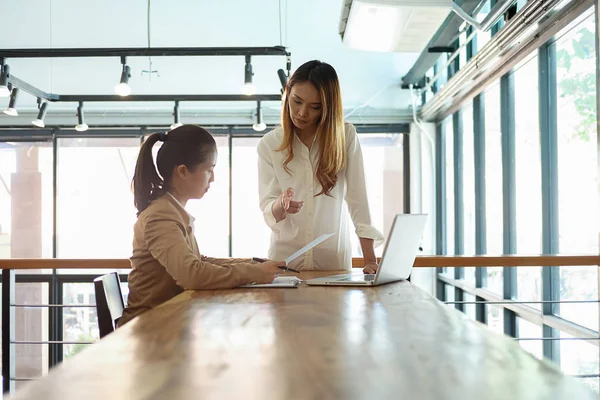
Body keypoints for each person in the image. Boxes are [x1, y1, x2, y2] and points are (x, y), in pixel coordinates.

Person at [119, 125, 284, 326]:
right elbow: (192, 274)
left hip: (166, 322)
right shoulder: (160, 216)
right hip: (149, 330)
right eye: (209, 170)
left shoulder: (170, 209)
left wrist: (253, 263)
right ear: (183, 171)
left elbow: (198, 261)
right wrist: (255, 273)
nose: (212, 178)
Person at [257, 60, 383, 273]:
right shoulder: (270, 144)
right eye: (297, 101)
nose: (302, 113)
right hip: (284, 262)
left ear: (328, 107)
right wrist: (280, 205)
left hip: (332, 263)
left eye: (315, 107)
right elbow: (268, 208)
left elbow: (358, 199)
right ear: (287, 94)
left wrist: (370, 260)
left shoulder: (345, 137)